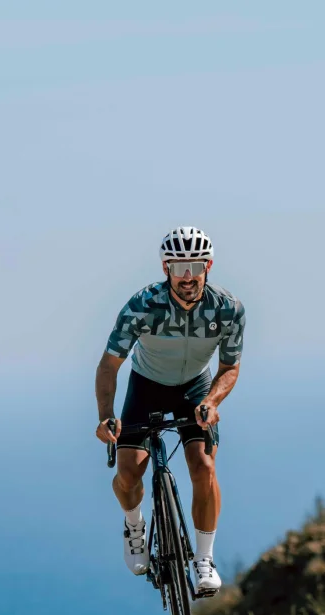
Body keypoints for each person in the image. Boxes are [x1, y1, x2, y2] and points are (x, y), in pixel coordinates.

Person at [94, 226, 245, 594]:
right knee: (129, 473)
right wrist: (106, 416)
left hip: (196, 388)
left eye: (195, 266)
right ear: (166, 269)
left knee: (204, 466)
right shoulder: (142, 306)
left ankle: (204, 558)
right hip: (147, 386)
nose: (187, 276)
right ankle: (134, 524)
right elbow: (109, 365)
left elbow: (229, 367)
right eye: (178, 268)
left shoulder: (228, 309)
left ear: (208, 266)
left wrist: (211, 402)